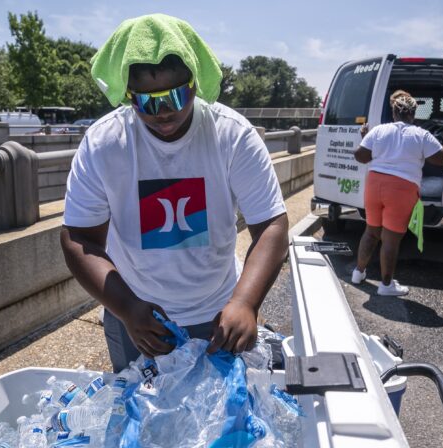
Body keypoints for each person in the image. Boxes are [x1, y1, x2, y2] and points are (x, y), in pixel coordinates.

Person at [60, 14, 289, 372]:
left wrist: (245, 302)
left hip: (217, 315)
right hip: (137, 320)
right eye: (147, 102)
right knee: (144, 418)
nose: (164, 112)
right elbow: (78, 237)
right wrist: (127, 308)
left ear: (195, 84)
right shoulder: (105, 143)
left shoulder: (232, 135)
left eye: (175, 95)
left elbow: (271, 224)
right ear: (127, 95)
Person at [351, 90, 443, 295]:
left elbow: (360, 156)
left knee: (371, 231)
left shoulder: (378, 131)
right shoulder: (421, 135)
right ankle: (385, 285)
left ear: (394, 113)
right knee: (390, 239)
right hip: (401, 189)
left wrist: (365, 138)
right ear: (413, 114)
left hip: (374, 185)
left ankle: (358, 273)